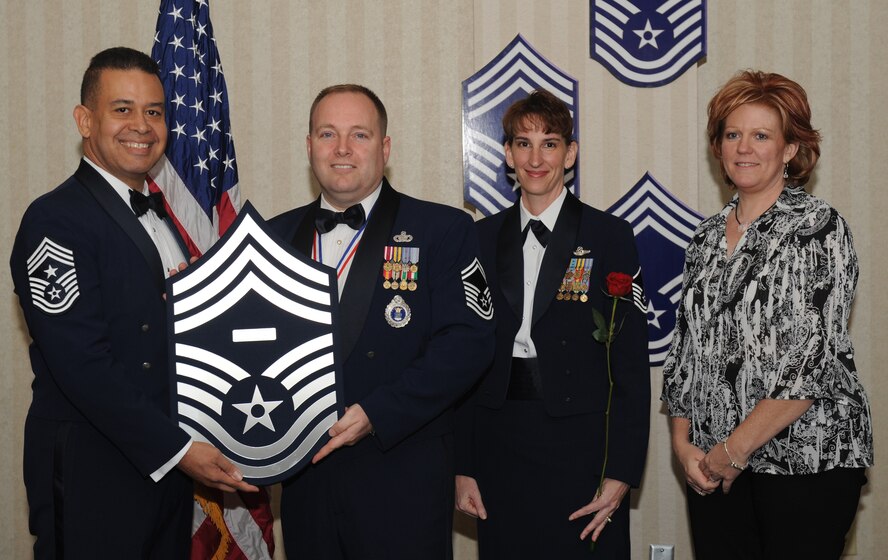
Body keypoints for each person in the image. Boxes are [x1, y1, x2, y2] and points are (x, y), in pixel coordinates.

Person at [10, 47, 257, 559]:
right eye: (122, 109)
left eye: (154, 111)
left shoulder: (164, 217)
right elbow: (82, 365)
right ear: (85, 119)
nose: (141, 125)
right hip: (95, 473)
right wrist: (179, 449)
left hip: (162, 468)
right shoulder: (55, 221)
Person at [270, 84, 495, 559]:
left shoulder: (443, 229)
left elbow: (468, 342)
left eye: (360, 135)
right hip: (305, 483)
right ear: (309, 146)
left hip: (402, 476)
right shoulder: (271, 236)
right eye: (328, 134)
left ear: (385, 148)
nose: (343, 149)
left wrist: (377, 412)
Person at [662, 70, 873, 559]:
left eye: (761, 135)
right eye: (732, 134)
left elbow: (808, 365)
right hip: (712, 468)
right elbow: (686, 353)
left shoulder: (818, 228)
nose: (744, 148)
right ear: (718, 147)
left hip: (806, 462)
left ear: (791, 149)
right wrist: (683, 446)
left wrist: (730, 454)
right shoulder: (705, 237)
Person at [454, 89, 651, 559]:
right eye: (523, 143)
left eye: (550, 143)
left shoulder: (609, 236)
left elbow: (629, 366)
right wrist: (463, 465)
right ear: (507, 154)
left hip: (582, 446)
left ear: (570, 153)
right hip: (501, 442)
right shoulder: (477, 239)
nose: (536, 157)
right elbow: (462, 361)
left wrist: (621, 470)